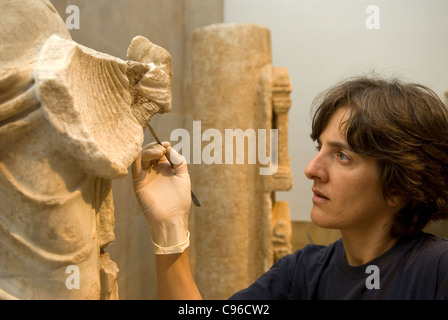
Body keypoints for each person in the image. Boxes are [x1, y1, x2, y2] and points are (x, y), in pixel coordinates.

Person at [131, 76, 448, 300]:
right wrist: (170, 226)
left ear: (398, 185)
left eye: (341, 155)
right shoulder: (302, 273)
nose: (312, 170)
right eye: (319, 148)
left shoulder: (436, 271)